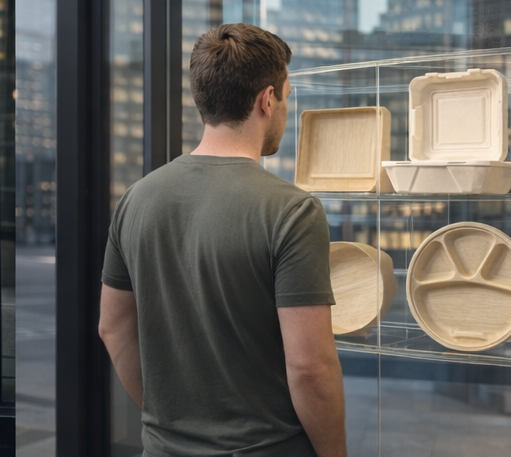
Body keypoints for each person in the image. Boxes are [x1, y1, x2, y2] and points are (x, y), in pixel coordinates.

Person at [98, 23, 346, 457]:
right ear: (267, 100)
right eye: (286, 97)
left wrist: (171, 422)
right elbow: (310, 368)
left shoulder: (137, 198)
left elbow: (113, 327)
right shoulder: (292, 211)